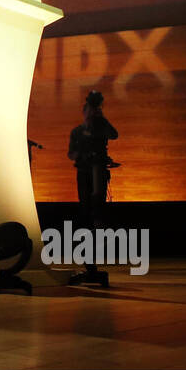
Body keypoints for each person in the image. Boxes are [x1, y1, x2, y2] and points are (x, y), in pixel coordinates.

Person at [68, 90, 118, 279]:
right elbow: (71, 153)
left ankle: (94, 248)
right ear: (84, 112)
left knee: (97, 211)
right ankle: (87, 257)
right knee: (85, 210)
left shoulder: (101, 127)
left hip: (98, 172)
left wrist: (102, 119)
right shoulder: (77, 132)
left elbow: (114, 134)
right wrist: (82, 156)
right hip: (84, 173)